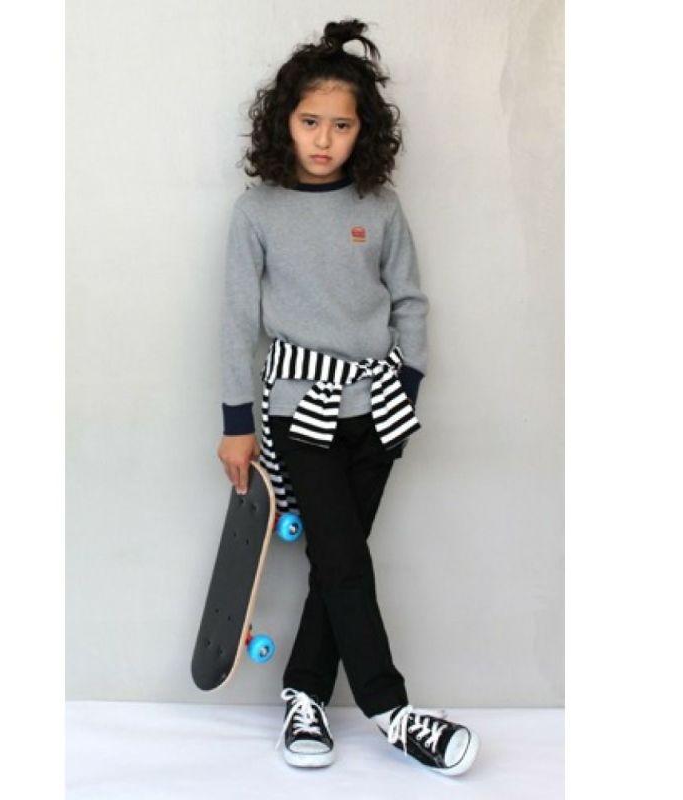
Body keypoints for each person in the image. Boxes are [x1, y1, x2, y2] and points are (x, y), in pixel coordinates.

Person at [216, 18, 480, 777]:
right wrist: (236, 424)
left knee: (339, 564)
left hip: (380, 410)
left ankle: (303, 694)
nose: (324, 139)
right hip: (298, 414)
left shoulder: (380, 206)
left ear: (364, 131)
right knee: (343, 564)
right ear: (284, 122)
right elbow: (237, 323)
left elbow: (410, 301)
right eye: (310, 122)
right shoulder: (257, 212)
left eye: (341, 124)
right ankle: (393, 712)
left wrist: (407, 384)